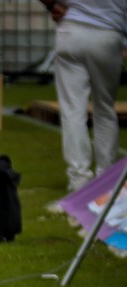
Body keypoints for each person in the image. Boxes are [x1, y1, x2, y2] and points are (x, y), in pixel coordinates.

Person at [41, 0, 127, 191]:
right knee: (104, 109)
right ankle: (106, 178)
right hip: (108, 34)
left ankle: (79, 179)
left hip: (71, 30)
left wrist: (52, 6)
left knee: (72, 112)